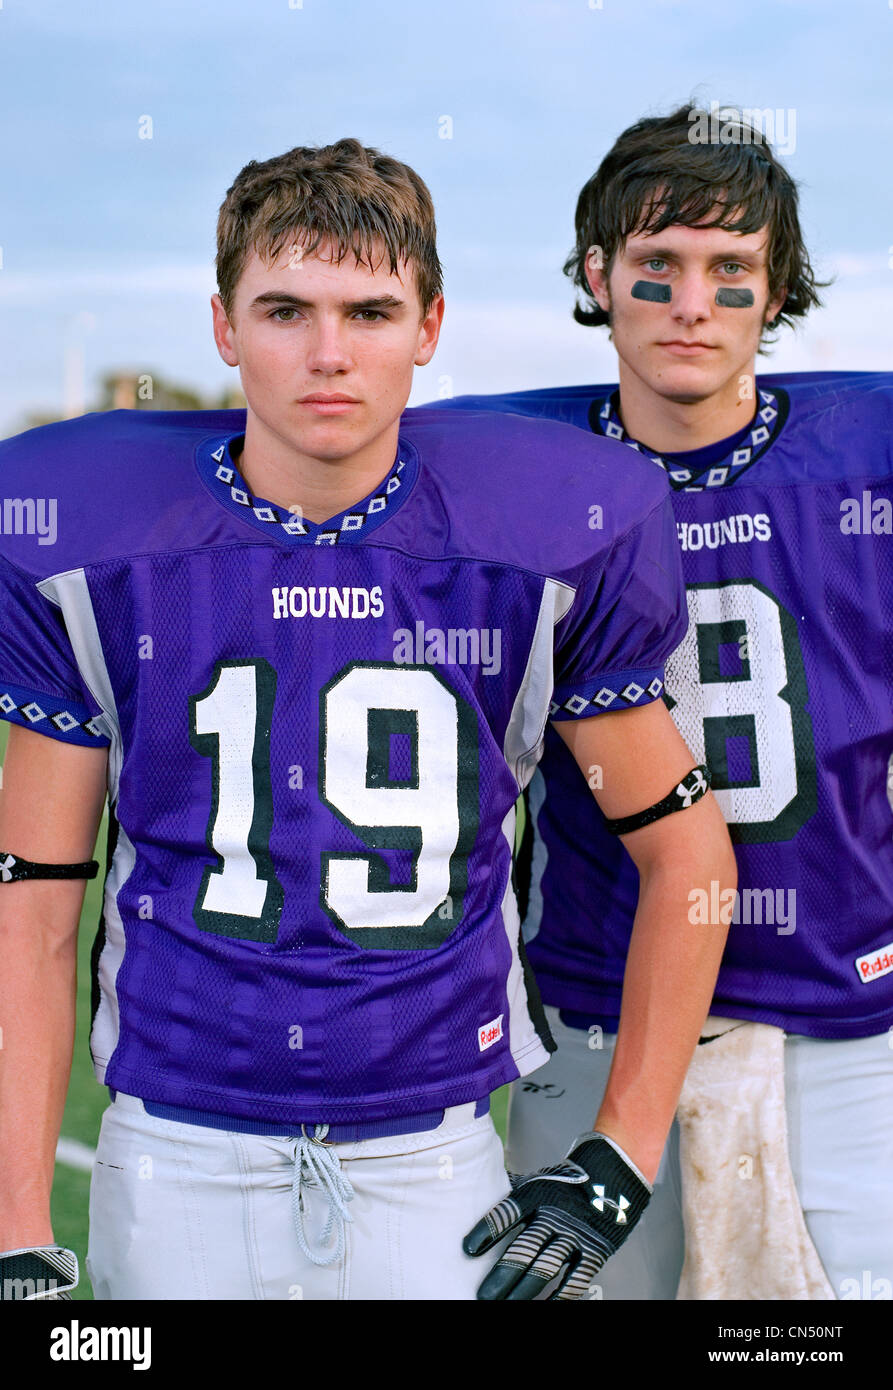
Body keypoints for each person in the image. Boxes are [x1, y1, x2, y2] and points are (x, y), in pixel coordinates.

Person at [0, 138, 734, 1303]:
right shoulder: (94, 547)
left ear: (429, 326)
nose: (329, 353)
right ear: (223, 326)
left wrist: (615, 1157)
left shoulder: (532, 538)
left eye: (370, 310)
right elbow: (34, 908)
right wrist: (16, 1230)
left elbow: (687, 855)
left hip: (433, 1159)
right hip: (173, 1154)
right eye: (285, 308)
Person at [434, 104, 893, 1300]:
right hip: (595, 1009)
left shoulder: (865, 453)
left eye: (729, 270)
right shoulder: (519, 475)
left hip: (840, 1016)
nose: (691, 302)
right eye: (656, 268)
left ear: (775, 285)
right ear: (597, 278)